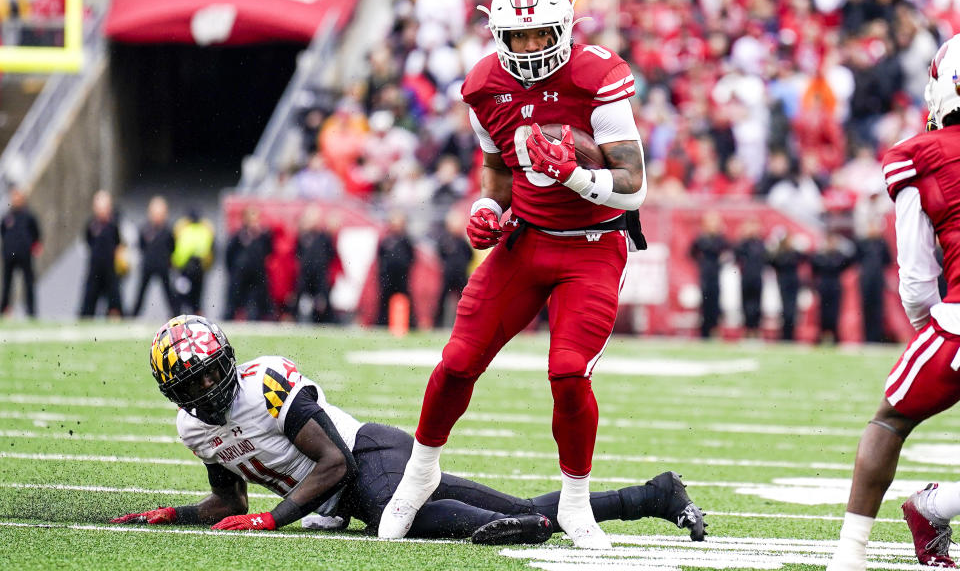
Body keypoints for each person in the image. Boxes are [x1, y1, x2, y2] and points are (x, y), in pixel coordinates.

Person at [379, 0, 664, 549]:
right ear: (498, 35)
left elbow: (634, 186)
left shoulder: (598, 75)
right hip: (526, 239)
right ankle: (419, 472)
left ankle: (577, 501)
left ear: (564, 28)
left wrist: (578, 176)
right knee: (457, 360)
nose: (531, 48)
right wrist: (487, 207)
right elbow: (497, 173)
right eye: (518, 37)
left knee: (567, 370)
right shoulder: (484, 84)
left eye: (541, 35)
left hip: (591, 245)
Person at [110, 315, 707, 546]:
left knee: (397, 517)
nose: (207, 390)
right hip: (348, 488)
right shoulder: (192, 429)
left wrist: (275, 519)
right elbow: (229, 498)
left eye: (212, 373)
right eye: (191, 384)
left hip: (370, 457)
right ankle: (654, 496)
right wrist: (182, 513)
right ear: (174, 391)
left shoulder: (264, 381)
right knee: (517, 505)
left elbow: (335, 463)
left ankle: (525, 530)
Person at [828, 35, 960, 570]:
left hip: (955, 327)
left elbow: (914, 275)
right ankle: (931, 508)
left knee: (889, 421)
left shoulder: (920, 156)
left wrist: (930, 328)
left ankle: (851, 552)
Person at [130, 195, 177, 318]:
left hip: (163, 266)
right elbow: (141, 246)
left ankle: (175, 314)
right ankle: (133, 315)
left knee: (169, 293)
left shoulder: (168, 230)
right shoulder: (145, 229)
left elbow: (172, 246)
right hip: (148, 265)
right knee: (141, 292)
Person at [79, 190, 123, 318]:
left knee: (114, 293)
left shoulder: (113, 225)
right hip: (95, 266)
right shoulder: (91, 225)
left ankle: (116, 314)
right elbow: (87, 241)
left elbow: (117, 242)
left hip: (110, 267)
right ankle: (86, 316)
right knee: (90, 293)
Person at [225, 207, 273, 321]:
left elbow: (268, 251)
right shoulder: (238, 235)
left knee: (256, 302)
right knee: (235, 301)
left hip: (257, 275)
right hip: (240, 275)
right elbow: (229, 254)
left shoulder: (263, 235)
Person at [0, 186, 41, 317]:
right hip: (9, 255)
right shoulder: (7, 216)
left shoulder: (29, 216)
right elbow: (3, 232)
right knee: (7, 283)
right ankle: (5, 309)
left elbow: (36, 234)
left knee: (28, 283)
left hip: (25, 255)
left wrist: (34, 246)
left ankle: (31, 311)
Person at [809, 233, 854, 344]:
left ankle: (835, 335)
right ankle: (822, 335)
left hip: (835, 285)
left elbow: (848, 262)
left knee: (835, 312)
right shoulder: (821, 256)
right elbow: (814, 266)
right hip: (824, 285)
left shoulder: (839, 256)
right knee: (823, 312)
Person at [295, 206, 338, 324]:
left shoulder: (324, 237)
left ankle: (324, 322)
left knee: (322, 301)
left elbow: (331, 254)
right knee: (301, 297)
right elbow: (297, 253)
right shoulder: (302, 236)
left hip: (320, 274)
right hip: (305, 274)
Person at [689, 211, 728, 339]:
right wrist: (701, 262)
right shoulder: (701, 239)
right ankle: (705, 331)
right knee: (705, 303)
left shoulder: (719, 239)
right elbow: (691, 252)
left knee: (715, 303)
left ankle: (715, 330)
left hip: (716, 275)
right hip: (705, 275)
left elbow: (728, 250)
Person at [375, 211, 416, 327]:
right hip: (388, 277)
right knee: (384, 301)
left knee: (406, 299)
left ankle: (411, 324)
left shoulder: (406, 240)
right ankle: (381, 324)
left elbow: (412, 257)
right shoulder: (386, 240)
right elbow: (380, 257)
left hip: (402, 277)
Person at [171, 208, 215, 315]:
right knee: (197, 299)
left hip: (186, 269)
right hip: (200, 269)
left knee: (181, 296)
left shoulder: (184, 230)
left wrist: (176, 264)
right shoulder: (205, 230)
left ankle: (177, 317)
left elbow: (181, 252)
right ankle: (197, 318)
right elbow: (209, 251)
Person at [433, 210, 473, 328]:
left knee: (465, 300)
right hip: (448, 275)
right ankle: (437, 324)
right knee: (442, 299)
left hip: (461, 275)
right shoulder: (444, 239)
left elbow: (469, 254)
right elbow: (440, 254)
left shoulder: (462, 241)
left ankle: (467, 323)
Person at [854, 221, 892, 343]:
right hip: (866, 280)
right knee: (866, 308)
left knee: (878, 309)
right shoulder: (862, 243)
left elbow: (888, 260)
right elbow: (856, 260)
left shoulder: (882, 243)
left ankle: (876, 336)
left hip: (878, 280)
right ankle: (867, 337)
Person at [768, 229, 806, 341]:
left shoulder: (794, 253)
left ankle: (791, 335)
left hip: (793, 282)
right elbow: (771, 261)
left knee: (792, 309)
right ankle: (785, 335)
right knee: (785, 309)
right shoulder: (779, 253)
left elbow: (804, 257)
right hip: (784, 282)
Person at [734, 219, 765, 338]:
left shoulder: (760, 243)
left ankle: (756, 329)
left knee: (757, 304)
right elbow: (737, 253)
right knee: (745, 303)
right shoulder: (743, 243)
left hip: (757, 277)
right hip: (746, 277)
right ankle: (747, 328)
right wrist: (743, 237)